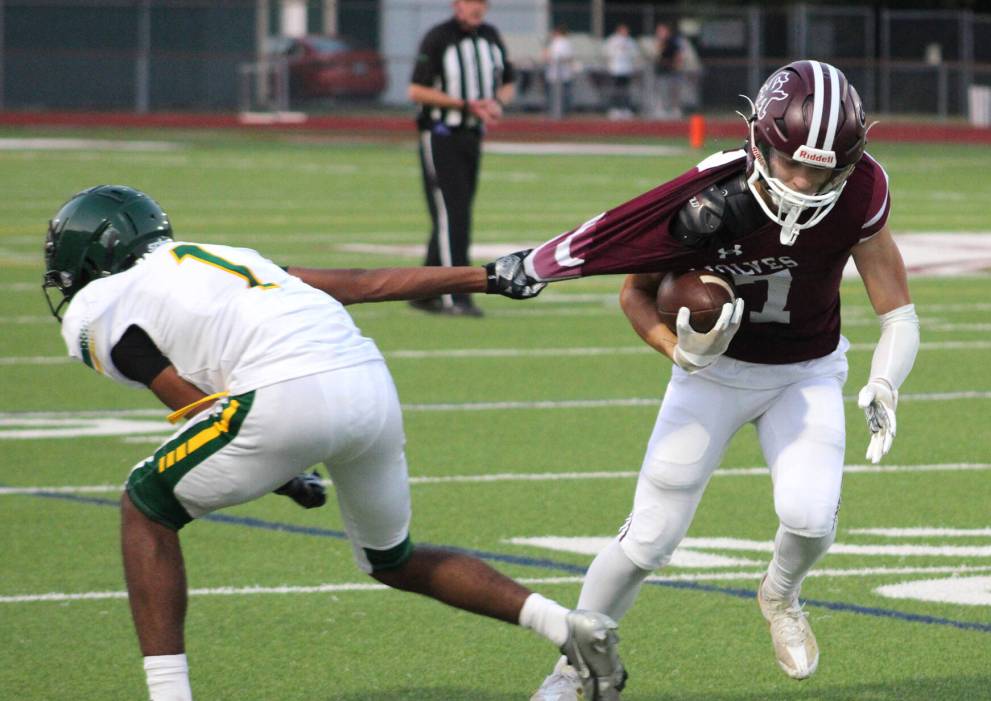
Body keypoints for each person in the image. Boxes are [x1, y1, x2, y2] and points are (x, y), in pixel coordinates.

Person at [42, 185, 627, 701]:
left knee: (145, 506)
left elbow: (184, 396)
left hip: (280, 392)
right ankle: (566, 627)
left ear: (93, 257)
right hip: (368, 385)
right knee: (391, 559)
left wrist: (276, 465)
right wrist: (485, 276)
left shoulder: (100, 304)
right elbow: (363, 284)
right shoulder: (227, 258)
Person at [484, 61, 919, 699]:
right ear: (758, 142)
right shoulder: (706, 200)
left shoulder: (860, 191)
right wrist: (675, 349)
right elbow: (634, 293)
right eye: (792, 163)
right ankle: (574, 668)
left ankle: (780, 594)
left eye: (821, 169)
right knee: (650, 538)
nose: (803, 183)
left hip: (805, 370)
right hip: (714, 373)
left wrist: (886, 382)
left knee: (810, 517)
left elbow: (898, 312)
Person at [407, 0, 517, 317]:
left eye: (482, 3)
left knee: (455, 213)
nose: (477, 8)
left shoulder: (491, 36)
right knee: (453, 215)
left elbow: (509, 79)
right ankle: (454, 294)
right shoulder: (438, 37)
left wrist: (496, 102)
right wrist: (464, 105)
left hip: (472, 136)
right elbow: (416, 90)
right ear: (457, 5)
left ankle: (423, 292)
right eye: (471, 2)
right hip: (441, 135)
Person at [602, 23, 639, 120]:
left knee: (626, 90)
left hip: (627, 69)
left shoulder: (630, 41)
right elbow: (606, 53)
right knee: (615, 90)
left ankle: (625, 108)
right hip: (616, 69)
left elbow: (635, 54)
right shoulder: (612, 40)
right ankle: (614, 108)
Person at [652, 22, 683, 119]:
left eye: (661, 31)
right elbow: (657, 55)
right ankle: (661, 109)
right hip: (661, 70)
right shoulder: (658, 42)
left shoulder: (673, 41)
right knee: (661, 91)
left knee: (672, 91)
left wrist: (677, 65)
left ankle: (674, 109)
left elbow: (678, 54)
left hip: (671, 70)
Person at [543, 25, 575, 118]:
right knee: (561, 96)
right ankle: (560, 113)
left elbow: (553, 57)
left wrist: (547, 54)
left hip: (559, 74)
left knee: (558, 96)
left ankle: (558, 113)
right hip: (560, 74)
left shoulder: (560, 42)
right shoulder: (560, 42)